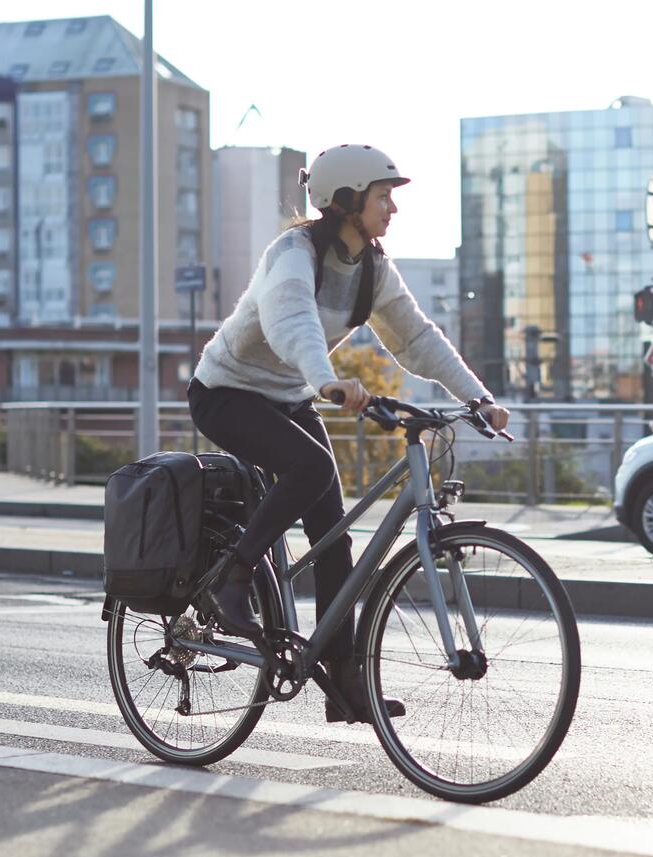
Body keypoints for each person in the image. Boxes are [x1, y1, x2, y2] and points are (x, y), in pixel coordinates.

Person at [187, 144, 511, 725]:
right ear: (344, 201)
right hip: (227, 392)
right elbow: (291, 320)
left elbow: (417, 338)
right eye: (383, 196)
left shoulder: (372, 270)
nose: (392, 208)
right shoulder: (293, 253)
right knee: (308, 468)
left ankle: (345, 684)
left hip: (289, 396)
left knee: (335, 538)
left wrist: (476, 396)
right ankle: (232, 579)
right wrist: (328, 381)